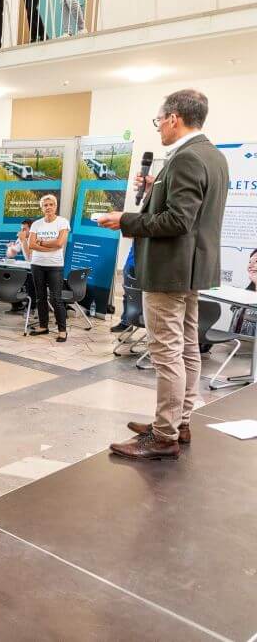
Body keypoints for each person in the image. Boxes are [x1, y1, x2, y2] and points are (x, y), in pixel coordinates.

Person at [98, 89, 229, 460]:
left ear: (173, 118)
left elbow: (178, 220)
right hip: (192, 269)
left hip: (170, 269)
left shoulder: (187, 158)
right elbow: (191, 213)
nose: (158, 129)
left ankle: (164, 434)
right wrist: (156, 190)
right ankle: (180, 420)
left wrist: (125, 220)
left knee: (166, 351)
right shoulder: (212, 156)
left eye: (159, 121)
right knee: (187, 347)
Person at [28, 194, 70, 341]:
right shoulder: (36, 224)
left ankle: (62, 330)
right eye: (45, 205)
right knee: (40, 298)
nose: (48, 207)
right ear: (42, 208)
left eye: (51, 204)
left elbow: (59, 243)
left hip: (55, 266)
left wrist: (41, 242)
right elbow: (30, 244)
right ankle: (43, 326)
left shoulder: (62, 222)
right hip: (37, 265)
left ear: (55, 206)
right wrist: (48, 247)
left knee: (56, 299)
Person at [111, 242, 137, 333]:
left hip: (139, 266)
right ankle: (126, 323)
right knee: (128, 296)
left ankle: (127, 322)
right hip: (131, 264)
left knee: (136, 298)